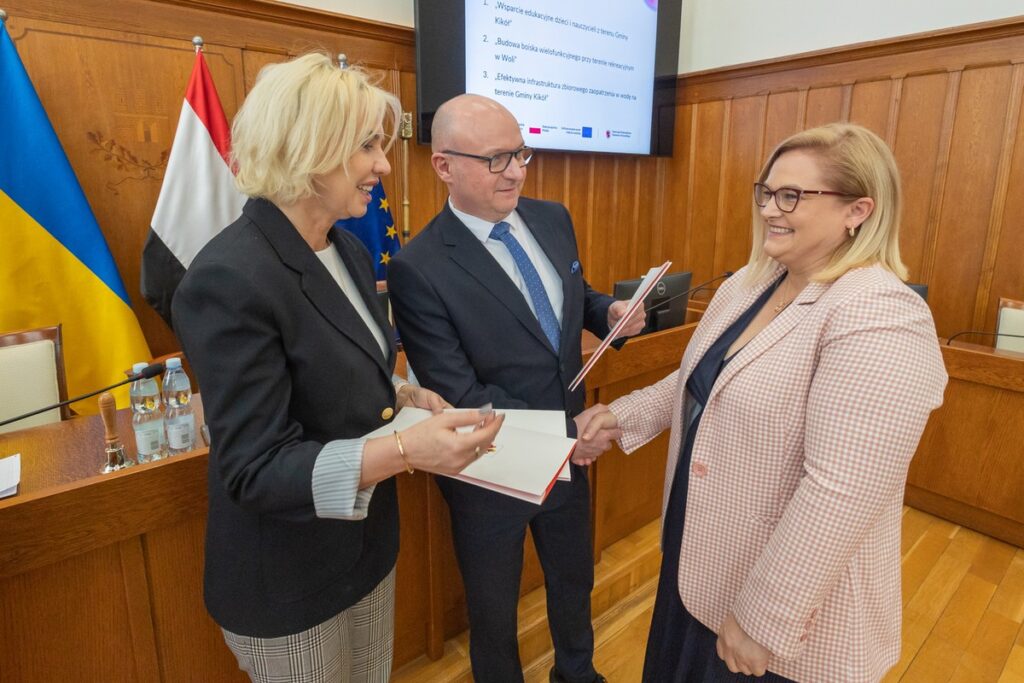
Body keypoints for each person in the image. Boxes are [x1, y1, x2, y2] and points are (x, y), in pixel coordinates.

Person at [171, 54, 503, 683]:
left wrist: (406, 397)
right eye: (368, 146)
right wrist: (408, 451)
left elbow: (344, 365)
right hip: (288, 579)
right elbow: (255, 468)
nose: (384, 164)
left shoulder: (346, 246)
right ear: (307, 148)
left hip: (364, 550)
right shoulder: (228, 277)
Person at [577, 122, 948, 682]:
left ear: (858, 211)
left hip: (786, 612)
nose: (771, 208)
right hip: (700, 562)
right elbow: (700, 380)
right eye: (767, 191)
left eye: (793, 196)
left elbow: (841, 492)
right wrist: (620, 414)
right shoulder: (751, 283)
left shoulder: (881, 314)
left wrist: (765, 618)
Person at [386, 94, 644, 683]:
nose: (517, 172)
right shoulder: (418, 267)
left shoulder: (552, 217)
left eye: (521, 154)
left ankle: (578, 673)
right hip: (491, 463)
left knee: (573, 578)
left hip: (570, 452)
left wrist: (608, 313)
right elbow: (459, 391)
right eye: (496, 159)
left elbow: (569, 298)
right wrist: (563, 434)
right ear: (444, 166)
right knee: (494, 608)